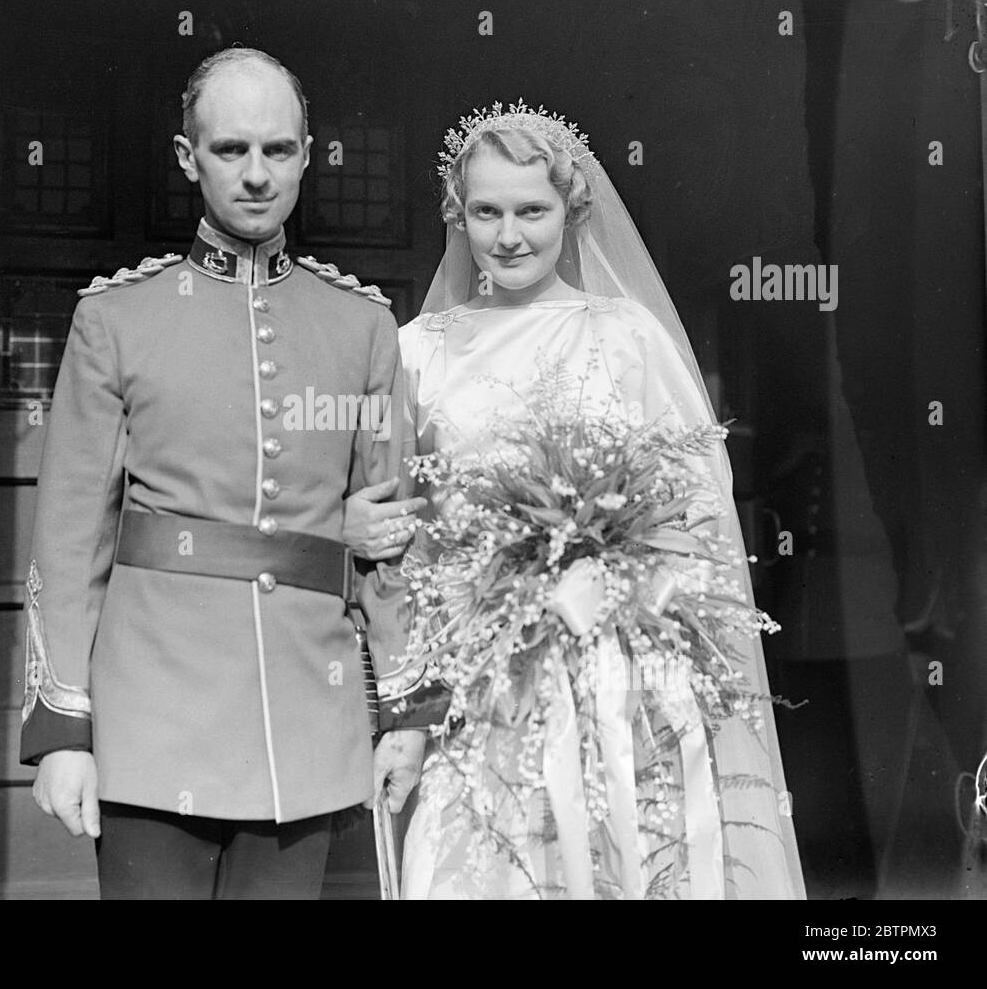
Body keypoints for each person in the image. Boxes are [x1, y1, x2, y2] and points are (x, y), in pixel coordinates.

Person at [345, 104, 805, 898]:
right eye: (487, 211)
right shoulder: (418, 351)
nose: (509, 234)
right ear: (460, 215)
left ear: (572, 209)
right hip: (475, 679)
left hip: (617, 674)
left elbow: (696, 507)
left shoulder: (624, 336)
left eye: (533, 209)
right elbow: (399, 520)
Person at [21, 47, 427, 900]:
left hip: (303, 726)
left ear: (308, 157)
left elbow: (387, 531)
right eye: (230, 150)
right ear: (187, 158)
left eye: (278, 151)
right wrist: (64, 730)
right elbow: (68, 540)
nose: (255, 175)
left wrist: (405, 709)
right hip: (151, 718)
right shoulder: (116, 320)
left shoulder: (361, 329)